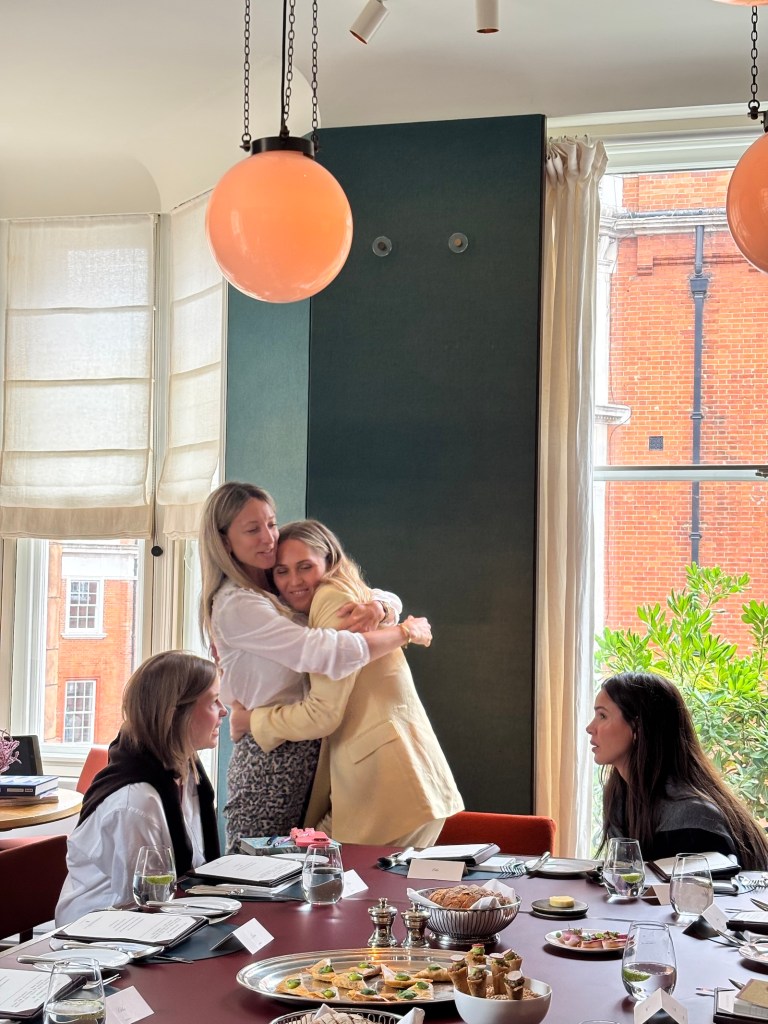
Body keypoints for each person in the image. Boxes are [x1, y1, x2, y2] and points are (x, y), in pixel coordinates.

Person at [199, 481, 433, 851]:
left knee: (300, 873)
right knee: (253, 867)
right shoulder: (237, 605)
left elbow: (351, 591)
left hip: (309, 753)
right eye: (252, 529)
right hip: (270, 757)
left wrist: (381, 606)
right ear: (224, 540)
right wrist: (403, 632)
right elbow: (325, 651)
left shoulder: (274, 585)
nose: (268, 538)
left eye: (271, 524)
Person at [229, 519, 463, 847]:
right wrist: (386, 607)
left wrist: (251, 720)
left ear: (329, 562)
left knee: (312, 868)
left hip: (385, 788)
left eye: (305, 567)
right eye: (282, 571)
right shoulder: (347, 592)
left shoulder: (331, 601)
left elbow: (322, 713)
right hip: (406, 784)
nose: (293, 581)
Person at [55, 651, 225, 925]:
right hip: (101, 932)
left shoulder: (186, 772)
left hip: (162, 916)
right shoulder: (135, 802)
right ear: (176, 714)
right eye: (213, 701)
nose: (223, 710)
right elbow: (142, 904)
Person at [588, 671, 768, 868]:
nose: (590, 727)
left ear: (638, 727)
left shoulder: (690, 814)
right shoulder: (620, 797)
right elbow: (624, 879)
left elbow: (692, 888)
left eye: (602, 715)